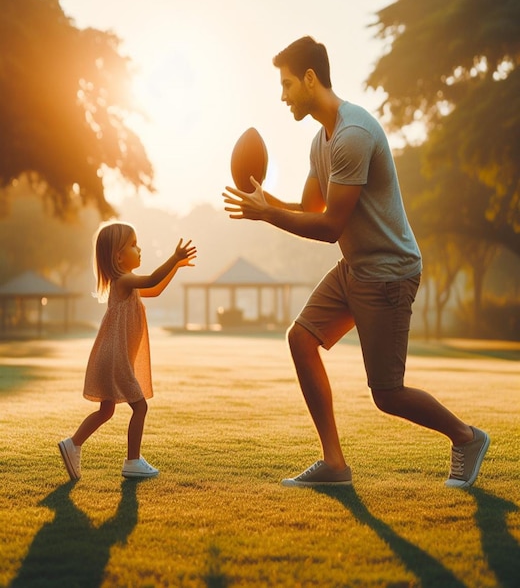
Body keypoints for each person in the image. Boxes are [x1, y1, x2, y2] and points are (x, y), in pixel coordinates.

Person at [223, 36, 489, 489]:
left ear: (311, 79)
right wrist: (265, 201)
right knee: (301, 340)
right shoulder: (320, 141)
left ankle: (466, 437)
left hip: (388, 272)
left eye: (287, 84)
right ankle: (334, 465)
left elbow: (329, 228)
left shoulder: (353, 135)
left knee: (387, 394)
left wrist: (267, 215)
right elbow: (311, 208)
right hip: (355, 268)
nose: (282, 95)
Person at [58, 222, 196, 480]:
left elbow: (154, 289)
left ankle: (73, 444)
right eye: (133, 244)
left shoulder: (125, 284)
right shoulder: (124, 280)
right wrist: (173, 257)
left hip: (111, 356)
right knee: (140, 407)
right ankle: (133, 461)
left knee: (106, 410)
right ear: (118, 256)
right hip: (116, 358)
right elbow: (153, 278)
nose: (139, 248)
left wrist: (176, 267)